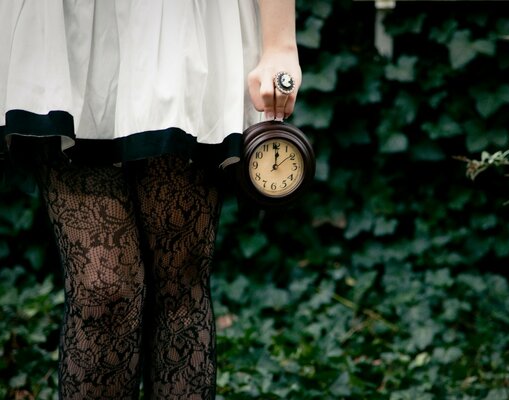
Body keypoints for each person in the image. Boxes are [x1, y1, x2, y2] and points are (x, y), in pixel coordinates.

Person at [0, 0, 301, 398]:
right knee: (103, 291)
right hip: (67, 23)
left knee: (179, 283)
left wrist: (280, 43)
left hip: (183, 27)